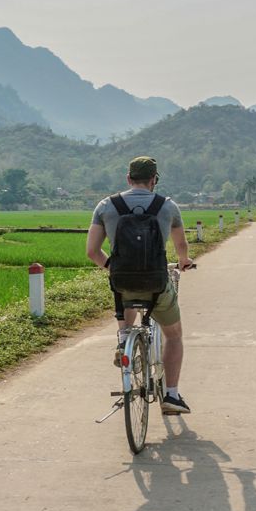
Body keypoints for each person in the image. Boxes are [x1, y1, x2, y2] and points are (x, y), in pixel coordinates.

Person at [87, 156, 195, 414]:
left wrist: (113, 268)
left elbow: (92, 251)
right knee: (174, 335)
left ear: (128, 178)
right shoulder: (167, 206)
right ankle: (171, 395)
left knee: (126, 292)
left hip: (122, 282)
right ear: (154, 180)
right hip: (157, 282)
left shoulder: (106, 205)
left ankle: (124, 338)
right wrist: (184, 261)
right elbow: (181, 246)